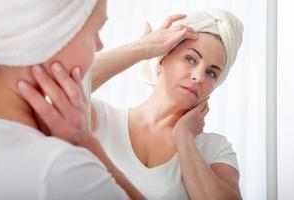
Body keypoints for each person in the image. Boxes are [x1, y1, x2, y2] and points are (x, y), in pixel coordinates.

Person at [21, 8, 244, 199]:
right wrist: (140, 49)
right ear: (161, 59)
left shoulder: (214, 149)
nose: (199, 76)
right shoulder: (99, 118)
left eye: (212, 73)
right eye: (190, 59)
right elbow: (61, 82)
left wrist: (184, 137)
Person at [0, 0, 195, 199]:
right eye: (94, 32)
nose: (99, 46)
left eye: (213, 72)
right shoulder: (60, 170)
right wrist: (86, 143)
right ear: (49, 36)